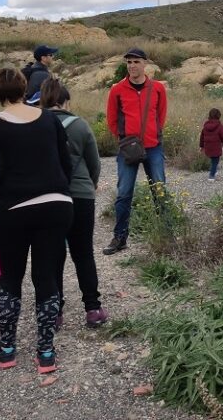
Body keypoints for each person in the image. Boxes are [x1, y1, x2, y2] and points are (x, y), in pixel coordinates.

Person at [0, 67, 72, 374]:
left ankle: (7, 349)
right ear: (23, 87)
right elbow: (66, 163)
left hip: (13, 210)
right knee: (46, 277)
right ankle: (46, 352)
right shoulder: (48, 119)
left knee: (11, 278)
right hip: (56, 205)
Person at [40, 78, 108, 330]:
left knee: (53, 255)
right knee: (83, 253)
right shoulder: (80, 125)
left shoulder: (36, 124)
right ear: (66, 101)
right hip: (79, 195)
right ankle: (92, 309)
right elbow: (94, 162)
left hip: (49, 197)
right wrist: (92, 183)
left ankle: (55, 312)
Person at [104, 48, 168, 255]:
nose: (132, 66)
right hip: (128, 149)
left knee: (159, 190)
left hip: (153, 147)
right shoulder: (117, 90)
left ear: (145, 64)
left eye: (136, 62)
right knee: (124, 193)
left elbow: (161, 115)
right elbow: (112, 119)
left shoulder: (157, 88)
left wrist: (153, 134)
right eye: (129, 62)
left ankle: (167, 233)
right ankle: (120, 237)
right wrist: (125, 139)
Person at [199, 108, 223, 181]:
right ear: (219, 116)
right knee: (215, 161)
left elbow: (202, 137)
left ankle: (214, 171)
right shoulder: (220, 126)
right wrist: (221, 141)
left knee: (213, 160)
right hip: (216, 147)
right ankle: (211, 176)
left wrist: (202, 146)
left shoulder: (205, 126)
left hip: (208, 147)